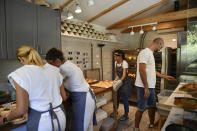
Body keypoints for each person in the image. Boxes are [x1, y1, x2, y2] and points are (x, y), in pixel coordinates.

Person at [0, 45, 67, 131]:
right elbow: (62, 95)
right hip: (60, 116)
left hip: (42, 122)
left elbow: (21, 110)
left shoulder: (20, 74)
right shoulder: (54, 70)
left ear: (21, 59)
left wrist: (5, 119)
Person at [45, 48, 96, 131]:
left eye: (50, 63)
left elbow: (55, 83)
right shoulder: (67, 64)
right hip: (87, 96)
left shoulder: (63, 68)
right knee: (88, 127)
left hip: (83, 99)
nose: (50, 66)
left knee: (80, 127)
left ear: (57, 61)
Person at [134, 38, 176, 131]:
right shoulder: (145, 52)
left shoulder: (151, 53)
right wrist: (146, 87)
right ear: (158, 43)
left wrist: (165, 76)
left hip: (150, 87)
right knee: (141, 108)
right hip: (143, 87)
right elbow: (141, 70)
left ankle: (152, 124)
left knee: (152, 106)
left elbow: (152, 71)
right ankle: (136, 128)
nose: (160, 48)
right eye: (161, 46)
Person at [113, 50, 132, 121]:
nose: (114, 57)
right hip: (119, 82)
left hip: (125, 84)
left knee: (125, 100)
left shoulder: (124, 63)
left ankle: (126, 115)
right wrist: (116, 79)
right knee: (116, 98)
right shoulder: (115, 63)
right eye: (114, 56)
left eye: (115, 56)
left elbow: (124, 75)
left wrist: (120, 81)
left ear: (120, 56)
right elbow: (116, 72)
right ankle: (115, 111)